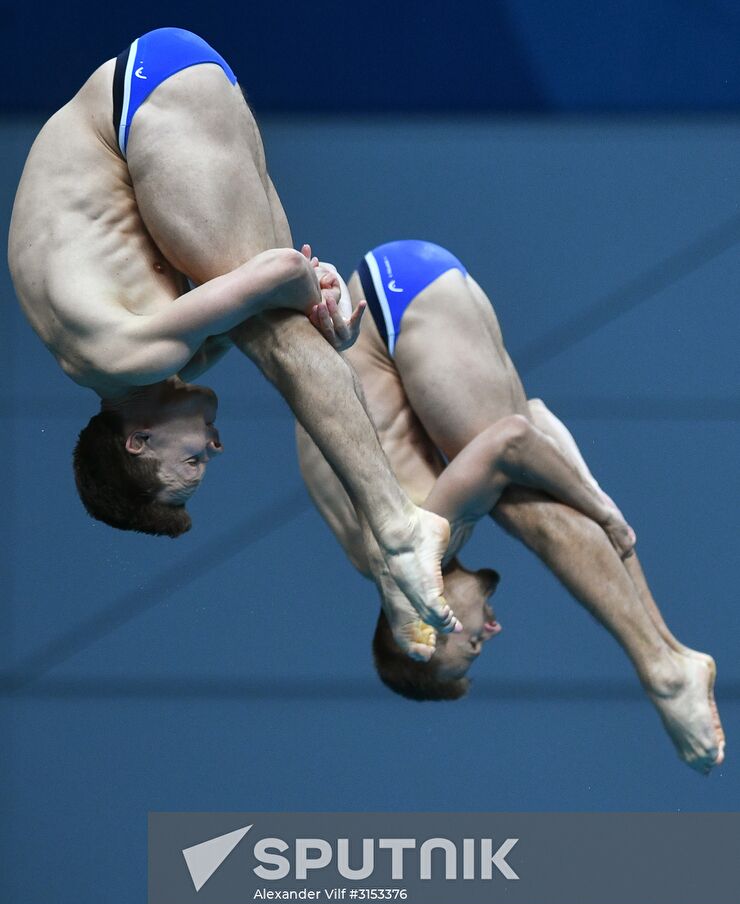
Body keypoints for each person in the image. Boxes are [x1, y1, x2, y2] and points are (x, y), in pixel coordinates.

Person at [7, 29, 459, 636]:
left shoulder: (129, 353)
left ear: (137, 441)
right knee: (280, 329)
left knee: (278, 342)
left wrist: (309, 295)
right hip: (149, 92)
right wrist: (317, 303)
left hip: (146, 105)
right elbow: (277, 288)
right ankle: (396, 530)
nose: (215, 449)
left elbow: (282, 271)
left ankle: (399, 530)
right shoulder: (124, 363)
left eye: (193, 460)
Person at [296, 239, 725, 774]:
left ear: (423, 637)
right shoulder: (370, 554)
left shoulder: (411, 546)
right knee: (527, 484)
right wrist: (586, 491)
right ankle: (665, 656)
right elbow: (536, 419)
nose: (490, 634)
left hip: (394, 306)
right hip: (388, 295)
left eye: (471, 648)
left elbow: (513, 440)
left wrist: (602, 508)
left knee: (521, 502)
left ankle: (662, 667)